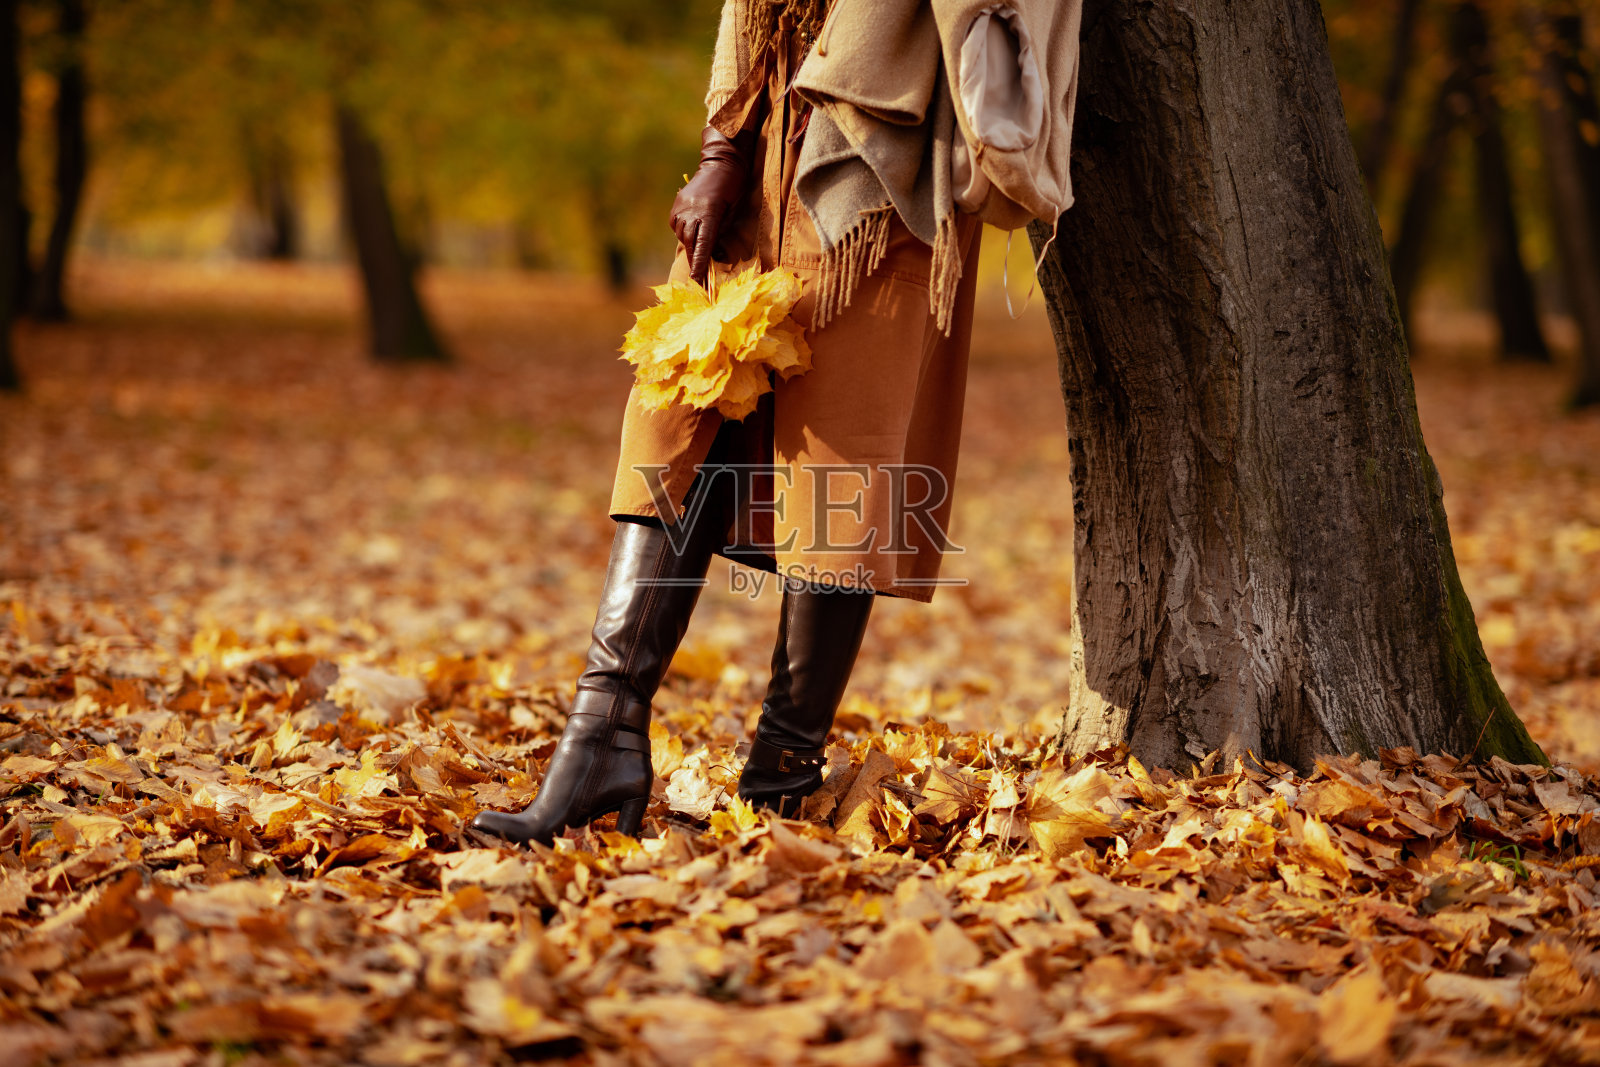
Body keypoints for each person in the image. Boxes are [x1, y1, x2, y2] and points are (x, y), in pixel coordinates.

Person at [472, 0, 1081, 846]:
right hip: (765, 133)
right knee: (678, 415)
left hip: (887, 162)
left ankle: (782, 775)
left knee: (842, 459)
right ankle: (600, 741)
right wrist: (721, 148)